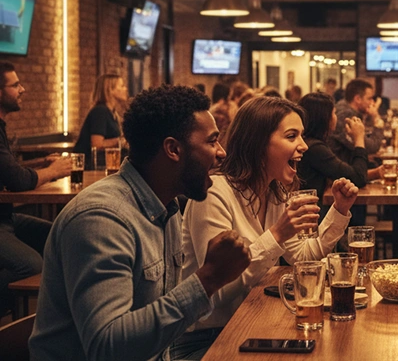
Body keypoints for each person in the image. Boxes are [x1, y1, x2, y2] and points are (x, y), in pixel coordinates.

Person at [29, 85, 251, 360]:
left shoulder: (165, 208)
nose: (221, 153)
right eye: (211, 141)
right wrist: (209, 278)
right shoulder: (102, 219)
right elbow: (107, 347)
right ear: (173, 149)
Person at [174, 96, 358, 359]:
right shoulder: (214, 195)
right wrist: (277, 235)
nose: (304, 146)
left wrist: (338, 211)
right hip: (204, 339)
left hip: (249, 326)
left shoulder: (274, 194)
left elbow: (304, 258)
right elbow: (217, 290)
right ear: (258, 143)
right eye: (292, 136)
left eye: (302, 136)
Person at [0, 62, 71, 314]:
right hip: (1, 220)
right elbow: (18, 181)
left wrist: (42, 162)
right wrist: (54, 171)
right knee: (31, 266)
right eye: (15, 84)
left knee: (62, 237)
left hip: (7, 216)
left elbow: (8, 170)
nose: (23, 89)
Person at [298, 92, 388, 196]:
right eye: (334, 113)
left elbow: (346, 174)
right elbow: (358, 179)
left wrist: (376, 173)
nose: (336, 117)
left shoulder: (311, 143)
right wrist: (359, 139)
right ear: (325, 118)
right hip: (313, 208)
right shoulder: (315, 148)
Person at [73, 74, 128, 163]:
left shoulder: (112, 113)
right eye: (121, 86)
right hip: (90, 166)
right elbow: (97, 145)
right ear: (110, 90)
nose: (125, 89)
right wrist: (121, 141)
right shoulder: (100, 111)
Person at [328, 78, 384, 160]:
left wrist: (370, 117)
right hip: (342, 169)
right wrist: (377, 120)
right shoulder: (346, 116)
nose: (372, 102)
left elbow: (366, 135)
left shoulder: (347, 110)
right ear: (358, 99)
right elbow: (371, 147)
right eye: (369, 98)